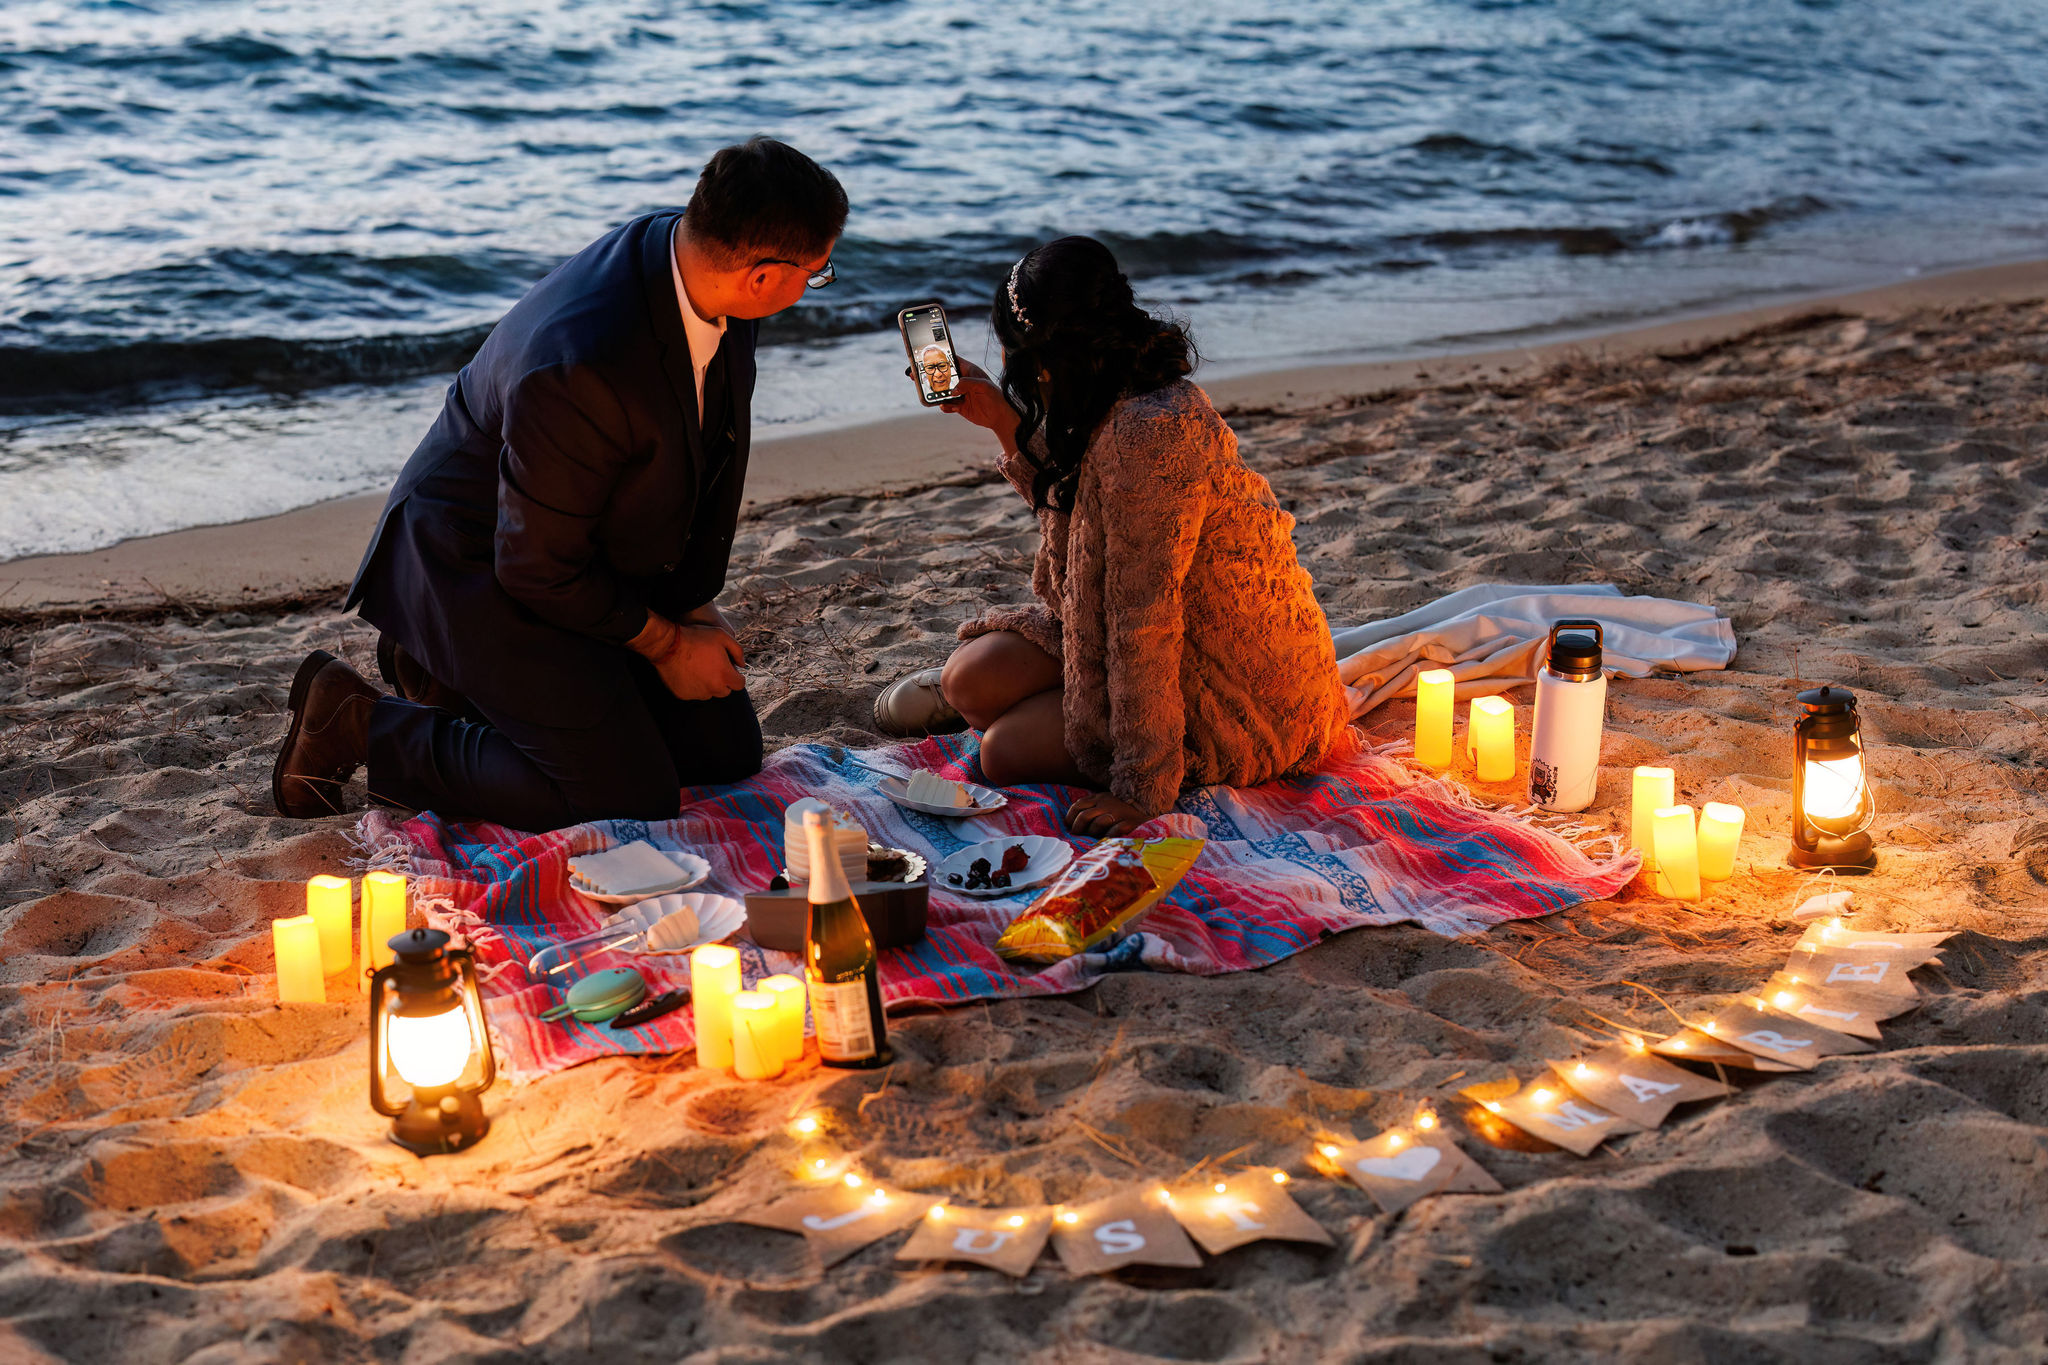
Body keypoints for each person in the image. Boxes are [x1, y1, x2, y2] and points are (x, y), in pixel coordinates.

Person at [272, 138, 846, 830]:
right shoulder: (584, 365)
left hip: (574, 547)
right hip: (479, 563)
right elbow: (533, 565)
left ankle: (454, 687)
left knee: (722, 749)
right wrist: (663, 643)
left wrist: (689, 607)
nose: (815, 284)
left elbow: (707, 456)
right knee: (625, 795)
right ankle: (359, 721)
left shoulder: (701, 268)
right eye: (815, 274)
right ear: (760, 275)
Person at [873, 236, 1352, 837]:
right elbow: (1086, 507)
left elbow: (1142, 622)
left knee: (1001, 754)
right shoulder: (1121, 389)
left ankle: (1059, 725)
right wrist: (1000, 417)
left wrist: (1141, 788)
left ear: (1043, 362)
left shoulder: (1147, 435)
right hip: (1151, 635)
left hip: (1232, 689)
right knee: (968, 677)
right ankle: (1016, 706)